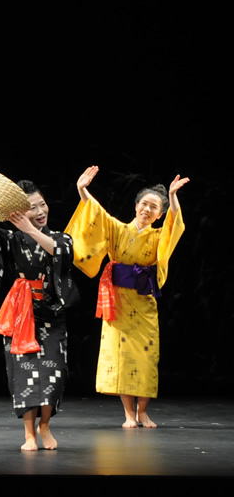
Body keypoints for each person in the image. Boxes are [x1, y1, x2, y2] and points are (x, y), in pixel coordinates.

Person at [0, 170, 75, 450]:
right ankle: (29, 434)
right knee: (24, 375)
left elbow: (59, 252)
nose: (40, 211)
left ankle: (45, 426)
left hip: (52, 315)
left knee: (55, 373)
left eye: (42, 204)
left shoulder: (61, 237)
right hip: (21, 314)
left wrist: (30, 229)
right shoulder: (12, 239)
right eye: (32, 208)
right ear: (19, 212)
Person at [65, 165, 189, 428]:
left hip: (143, 302)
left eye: (154, 207)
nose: (147, 209)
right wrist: (82, 190)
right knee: (122, 357)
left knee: (146, 357)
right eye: (144, 204)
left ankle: (143, 412)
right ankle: (128, 414)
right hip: (118, 301)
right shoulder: (118, 229)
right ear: (136, 206)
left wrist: (172, 196)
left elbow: (174, 224)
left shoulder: (158, 236)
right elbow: (96, 213)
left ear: (159, 214)